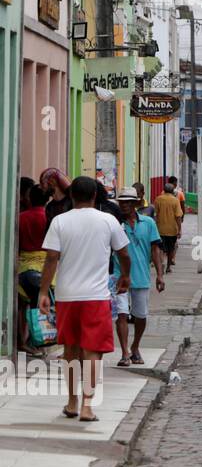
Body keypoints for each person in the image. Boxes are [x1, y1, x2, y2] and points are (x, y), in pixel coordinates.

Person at [37, 176, 132, 423]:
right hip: (96, 296)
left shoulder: (59, 221)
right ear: (94, 196)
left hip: (67, 295)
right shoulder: (108, 220)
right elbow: (124, 253)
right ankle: (88, 405)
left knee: (70, 350)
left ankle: (72, 402)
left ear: (71, 196)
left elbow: (50, 259)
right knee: (93, 351)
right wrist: (126, 277)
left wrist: (44, 292)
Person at [111, 191, 165, 368]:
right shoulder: (115, 224)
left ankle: (135, 346)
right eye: (122, 202)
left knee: (140, 316)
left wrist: (159, 274)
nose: (124, 205)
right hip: (119, 277)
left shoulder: (148, 223)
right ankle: (125, 352)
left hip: (141, 276)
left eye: (128, 202)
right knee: (122, 314)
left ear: (135, 203)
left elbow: (155, 249)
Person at [17, 185, 50, 355]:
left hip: (22, 266)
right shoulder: (49, 217)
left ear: (29, 198)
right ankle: (38, 341)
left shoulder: (21, 217)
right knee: (40, 305)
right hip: (45, 267)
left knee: (22, 305)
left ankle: (22, 341)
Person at [153, 182, 184, 272]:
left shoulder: (158, 199)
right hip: (172, 229)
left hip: (160, 229)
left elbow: (155, 214)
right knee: (171, 249)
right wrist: (179, 229)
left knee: (161, 248)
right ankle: (168, 267)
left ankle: (162, 262)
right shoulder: (175, 200)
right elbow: (178, 216)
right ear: (172, 191)